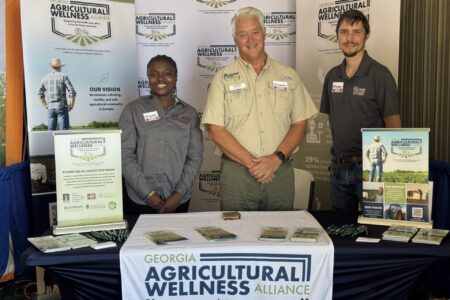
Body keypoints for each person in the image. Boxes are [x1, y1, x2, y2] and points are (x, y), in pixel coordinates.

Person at [201, 7, 318, 211]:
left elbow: (300, 123)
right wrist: (255, 165)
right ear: (235, 39)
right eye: (242, 35)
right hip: (237, 176)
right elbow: (215, 129)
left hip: (279, 172)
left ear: (264, 33)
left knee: (279, 235)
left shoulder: (288, 76)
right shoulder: (222, 78)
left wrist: (275, 160)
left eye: (255, 32)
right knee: (236, 237)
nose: (250, 39)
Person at [320, 9, 401, 212]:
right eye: (344, 31)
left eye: (357, 31)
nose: (350, 38)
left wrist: (387, 172)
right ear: (337, 35)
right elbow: (336, 120)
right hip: (338, 170)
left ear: (367, 35)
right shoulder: (332, 76)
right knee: (341, 233)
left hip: (371, 169)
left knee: (375, 232)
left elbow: (393, 125)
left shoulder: (380, 75)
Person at [119, 55, 203, 214]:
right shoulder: (133, 110)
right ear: (148, 78)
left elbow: (195, 156)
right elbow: (125, 154)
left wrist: (178, 195)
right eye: (154, 74)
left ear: (176, 77)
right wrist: (147, 194)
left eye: (167, 73)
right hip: (140, 199)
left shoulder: (190, 114)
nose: (160, 79)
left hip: (178, 200)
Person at [37, 58, 76, 130]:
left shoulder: (45, 77)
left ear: (52, 67)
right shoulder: (63, 76)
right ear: (60, 67)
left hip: (50, 107)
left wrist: (45, 105)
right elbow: (72, 91)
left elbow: (39, 92)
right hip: (62, 106)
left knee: (50, 132)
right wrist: (71, 105)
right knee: (63, 132)